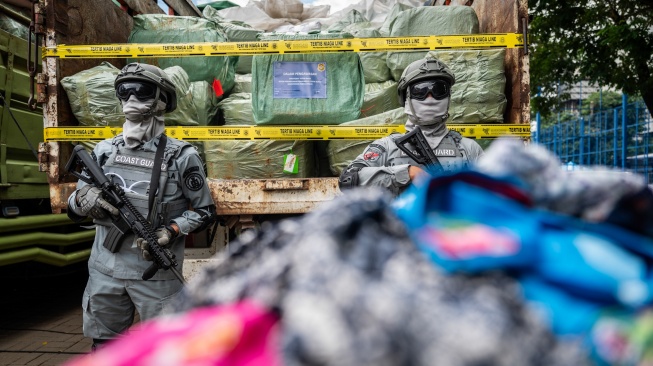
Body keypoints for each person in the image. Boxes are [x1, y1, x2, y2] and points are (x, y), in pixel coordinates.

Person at [66, 62, 217, 351]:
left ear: (162, 100)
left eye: (142, 91)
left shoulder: (181, 156)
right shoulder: (104, 151)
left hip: (155, 273)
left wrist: (171, 231)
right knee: (105, 348)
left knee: (167, 350)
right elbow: (74, 210)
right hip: (105, 270)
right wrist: (82, 201)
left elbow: (205, 211)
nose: (132, 99)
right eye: (125, 91)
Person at [339, 55, 484, 196]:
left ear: (448, 97)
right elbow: (348, 179)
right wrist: (406, 173)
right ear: (406, 98)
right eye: (420, 91)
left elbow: (495, 194)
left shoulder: (468, 149)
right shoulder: (388, 147)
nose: (430, 98)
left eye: (439, 90)